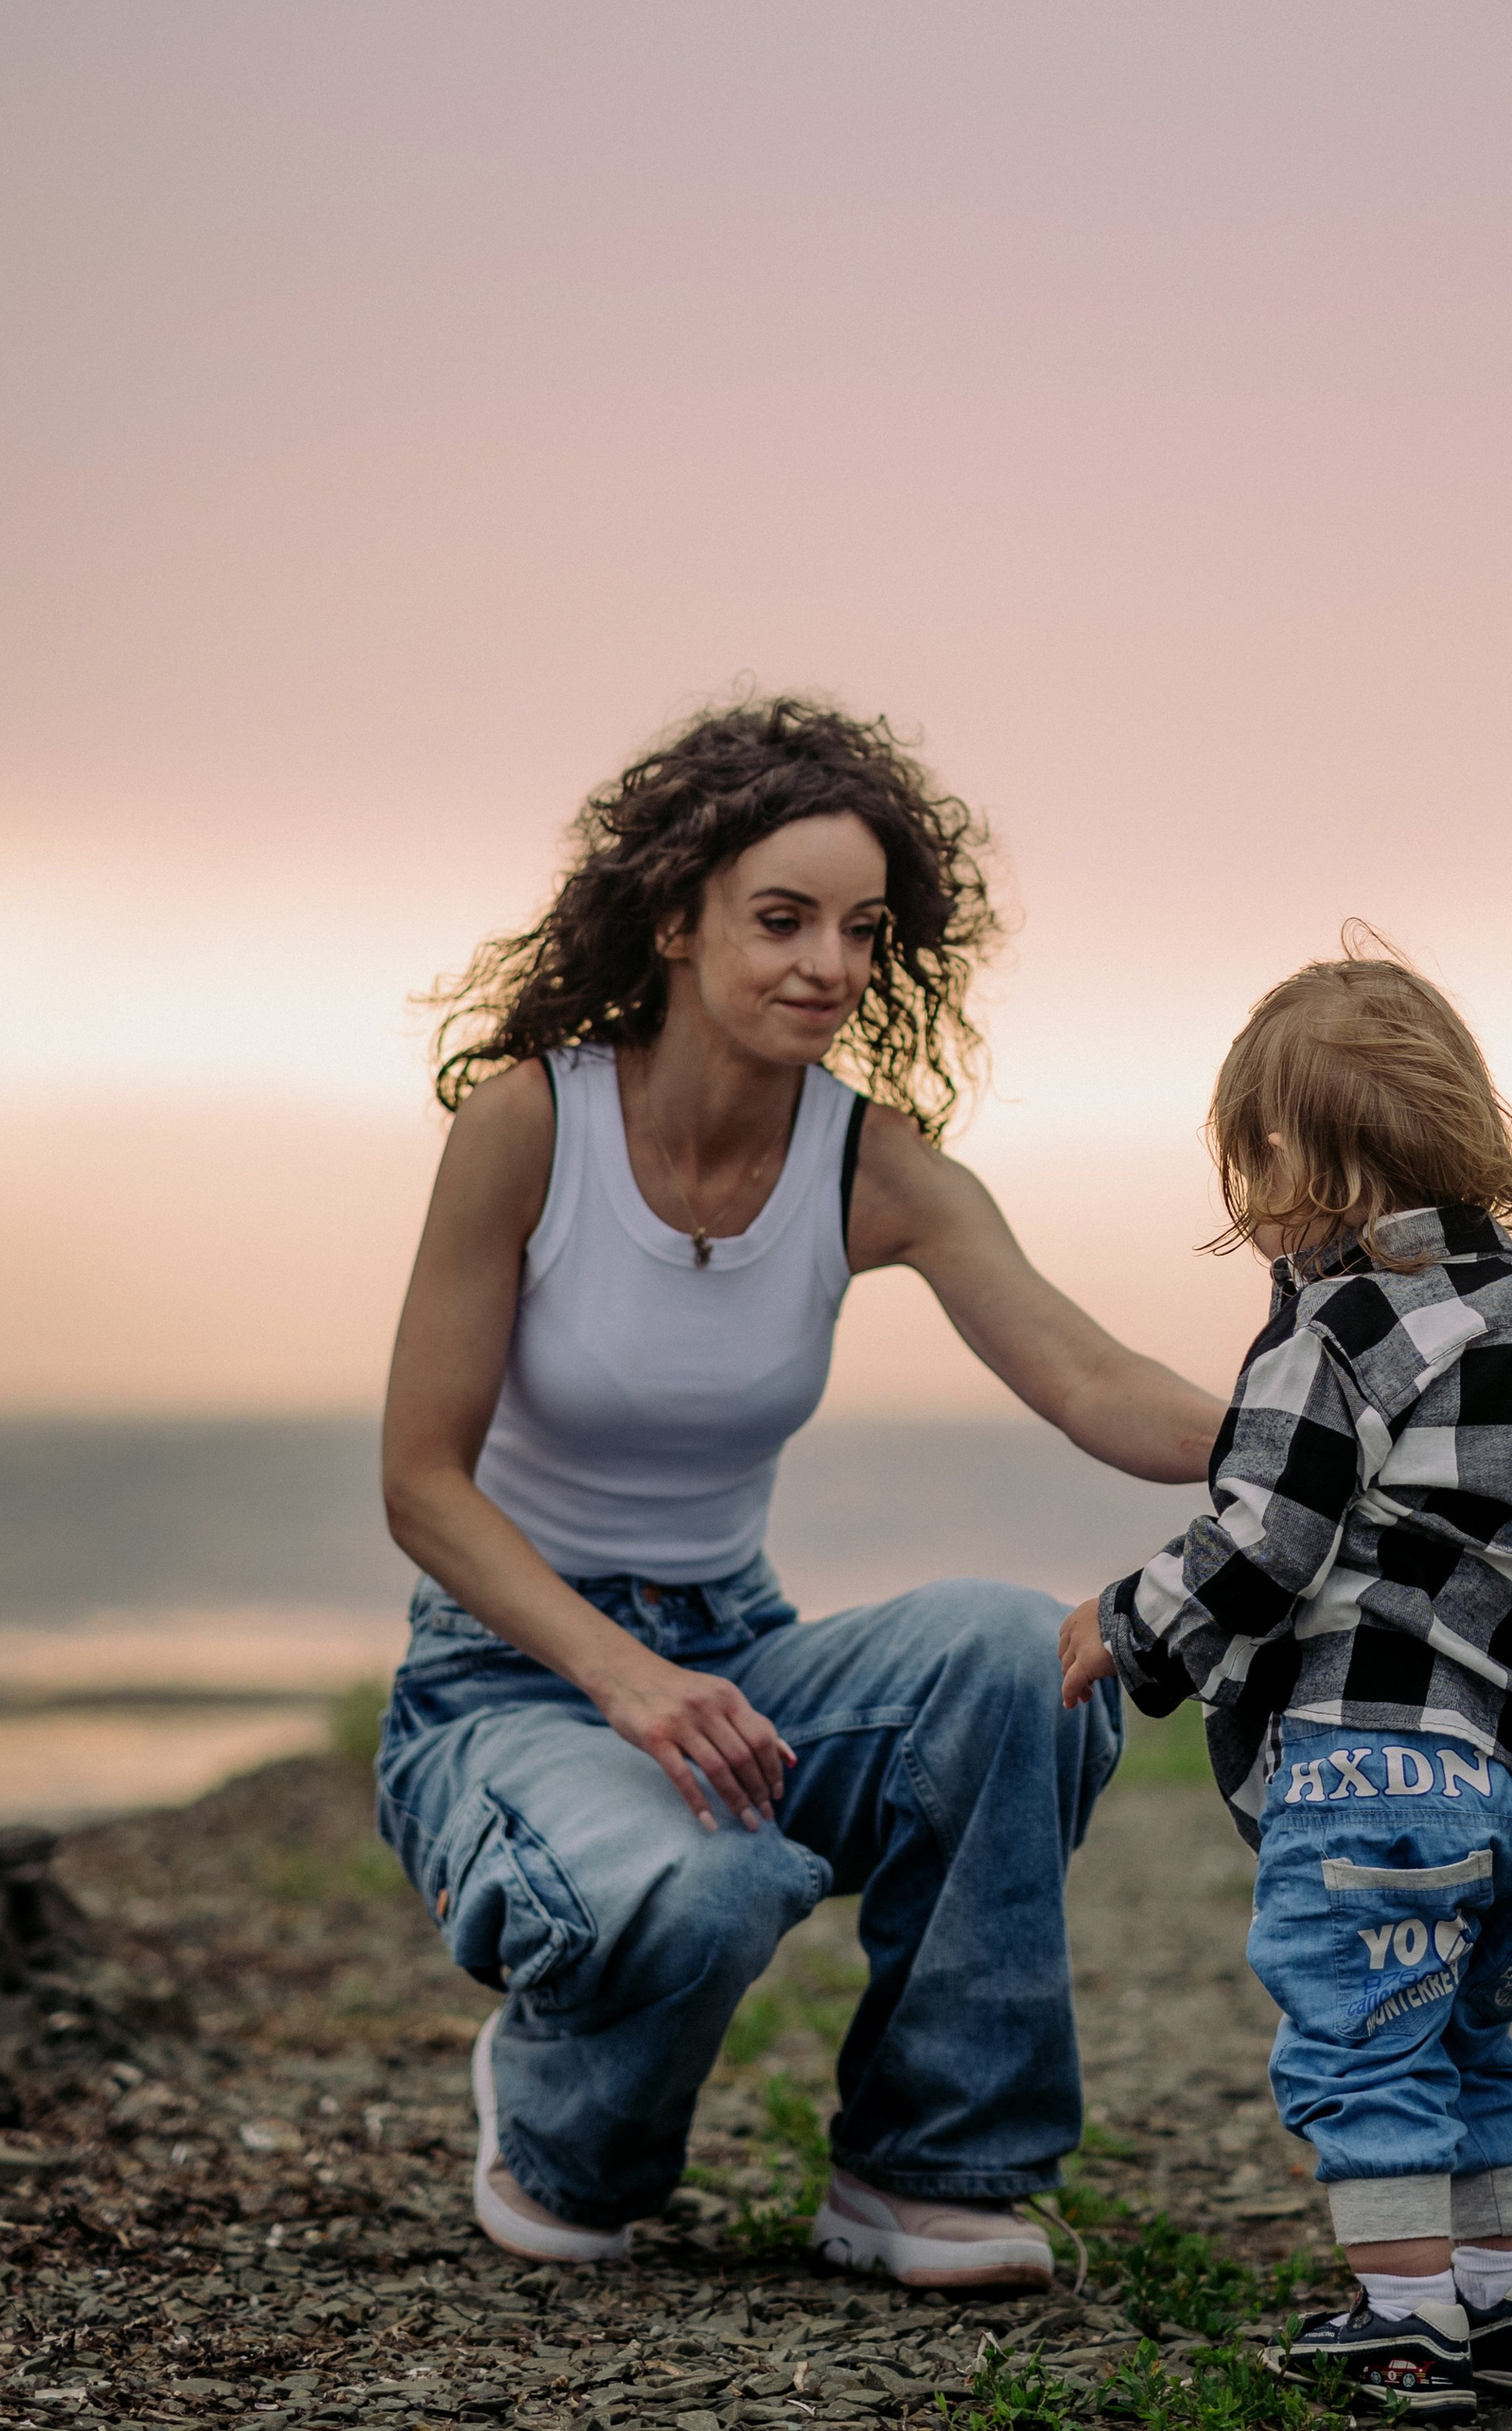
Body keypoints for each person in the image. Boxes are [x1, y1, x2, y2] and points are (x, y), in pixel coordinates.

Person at [377, 697, 1220, 2287]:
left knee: (1012, 1659)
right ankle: (557, 2119)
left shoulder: (870, 1166)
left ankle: (928, 2167)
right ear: (677, 920)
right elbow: (420, 1483)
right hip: (508, 1687)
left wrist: (1330, 1436)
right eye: (781, 920)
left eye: (860, 930)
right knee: (710, 1897)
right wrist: (621, 1676)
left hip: (737, 1656)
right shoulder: (529, 1129)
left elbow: (1096, 1386)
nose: (826, 965)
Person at [1059, 948, 1512, 2418]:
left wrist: (1131, 1623)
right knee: (1469, 2036)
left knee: (1361, 2039)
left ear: (1283, 1162)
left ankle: (1404, 2322)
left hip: (1374, 1769)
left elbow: (1268, 1539)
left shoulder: (1335, 1333)